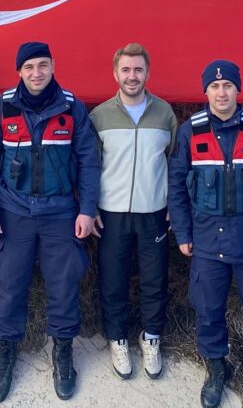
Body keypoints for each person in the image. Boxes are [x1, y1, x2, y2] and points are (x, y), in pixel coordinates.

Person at [0, 41, 100, 402]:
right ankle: (6, 353)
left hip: (60, 212)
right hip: (13, 213)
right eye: (29, 67)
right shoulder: (2, 107)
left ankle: (62, 351)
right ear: (19, 72)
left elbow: (89, 162)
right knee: (11, 285)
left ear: (52, 65)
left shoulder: (72, 107)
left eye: (42, 65)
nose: (36, 73)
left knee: (64, 285)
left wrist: (87, 209)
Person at [168, 60, 243, 408]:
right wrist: (182, 233)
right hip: (207, 240)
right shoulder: (191, 130)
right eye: (215, 87)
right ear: (205, 91)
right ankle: (217, 367)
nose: (222, 93)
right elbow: (176, 186)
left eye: (228, 86)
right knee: (208, 309)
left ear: (238, 89)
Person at [89, 43, 178, 380]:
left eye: (138, 69)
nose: (132, 76)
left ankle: (151, 337)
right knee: (113, 280)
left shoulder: (165, 114)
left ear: (147, 73)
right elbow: (89, 165)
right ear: (115, 73)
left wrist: (174, 203)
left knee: (155, 279)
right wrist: (90, 205)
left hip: (153, 211)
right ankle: (118, 338)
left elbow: (175, 162)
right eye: (125, 70)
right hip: (110, 213)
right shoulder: (99, 115)